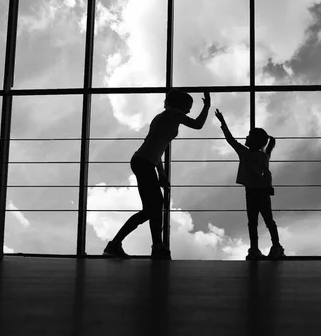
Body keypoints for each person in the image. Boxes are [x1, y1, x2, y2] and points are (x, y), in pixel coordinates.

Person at [103, 89, 211, 259]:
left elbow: (156, 148)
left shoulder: (161, 117)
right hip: (144, 163)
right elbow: (198, 125)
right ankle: (149, 246)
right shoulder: (174, 114)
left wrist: (161, 173)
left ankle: (128, 245)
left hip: (144, 162)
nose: (189, 110)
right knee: (153, 207)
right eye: (188, 106)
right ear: (180, 105)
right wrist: (207, 107)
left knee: (151, 209)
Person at [214, 109, 285, 260]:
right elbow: (267, 172)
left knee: (253, 222)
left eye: (249, 135)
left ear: (254, 141)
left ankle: (255, 249)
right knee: (268, 220)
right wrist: (268, 186)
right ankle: (276, 246)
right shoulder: (262, 155)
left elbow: (230, 139)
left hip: (252, 192)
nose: (246, 137)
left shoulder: (245, 153)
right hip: (262, 192)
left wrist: (223, 123)